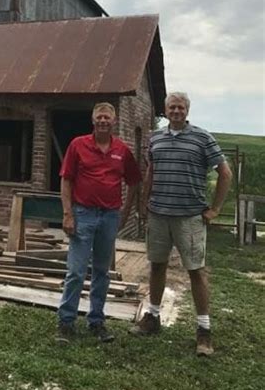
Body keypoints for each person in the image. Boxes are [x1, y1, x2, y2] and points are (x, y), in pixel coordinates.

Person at [130, 92, 232, 356]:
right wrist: (144, 202)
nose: (176, 111)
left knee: (196, 271)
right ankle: (152, 317)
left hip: (190, 217)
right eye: (172, 107)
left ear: (187, 110)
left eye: (181, 107)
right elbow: (151, 171)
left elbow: (224, 172)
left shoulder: (202, 138)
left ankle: (204, 331)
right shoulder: (156, 138)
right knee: (157, 265)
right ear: (165, 111)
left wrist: (216, 208)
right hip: (159, 214)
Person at [56, 102, 142, 344]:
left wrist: (125, 213)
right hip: (83, 213)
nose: (103, 121)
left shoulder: (122, 150)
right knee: (76, 271)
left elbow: (134, 181)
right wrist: (67, 214)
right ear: (93, 121)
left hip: (109, 216)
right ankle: (66, 322)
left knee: (102, 272)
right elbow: (66, 180)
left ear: (113, 122)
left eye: (108, 117)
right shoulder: (78, 145)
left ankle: (96, 321)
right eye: (99, 117)